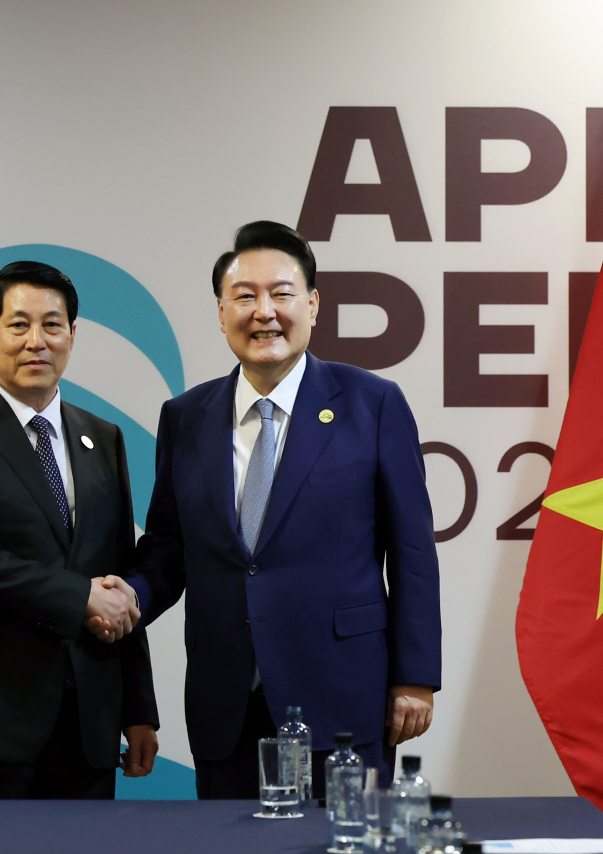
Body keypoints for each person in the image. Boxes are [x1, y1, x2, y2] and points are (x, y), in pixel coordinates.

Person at [120, 221, 440, 799]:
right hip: (228, 704)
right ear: (221, 312)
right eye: (244, 296)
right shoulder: (186, 417)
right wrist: (131, 597)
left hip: (343, 695)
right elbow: (169, 544)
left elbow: (412, 550)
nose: (263, 311)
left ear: (313, 305)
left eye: (282, 294)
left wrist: (414, 678)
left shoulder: (373, 404)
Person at [0, 260, 159, 799]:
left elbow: (118, 577)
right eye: (18, 325)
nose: (36, 341)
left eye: (52, 325)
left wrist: (139, 710)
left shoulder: (103, 437)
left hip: (87, 720)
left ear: (72, 335)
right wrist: (80, 596)